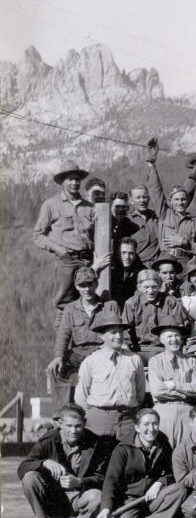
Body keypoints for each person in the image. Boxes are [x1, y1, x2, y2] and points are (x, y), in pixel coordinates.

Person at [18, 404, 114, 518]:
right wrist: (45, 462)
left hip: (80, 498)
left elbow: (101, 478)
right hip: (54, 499)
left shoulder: (95, 443)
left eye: (78, 426)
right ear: (60, 424)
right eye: (69, 426)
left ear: (84, 424)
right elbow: (22, 467)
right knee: (29, 478)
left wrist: (79, 482)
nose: (73, 431)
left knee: (96, 500)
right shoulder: (48, 440)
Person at [97, 408, 189, 518]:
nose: (151, 429)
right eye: (146, 424)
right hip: (129, 500)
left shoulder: (163, 443)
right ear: (137, 427)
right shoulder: (123, 449)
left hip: (153, 497)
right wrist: (106, 507)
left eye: (155, 423)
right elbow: (111, 480)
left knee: (180, 488)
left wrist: (159, 483)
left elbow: (172, 472)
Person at [46, 267, 120, 405]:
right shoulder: (70, 309)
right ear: (76, 286)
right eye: (82, 285)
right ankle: (65, 414)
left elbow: (118, 332)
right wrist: (58, 357)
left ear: (96, 284)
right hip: (78, 354)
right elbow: (63, 335)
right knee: (56, 371)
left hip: (102, 353)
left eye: (90, 284)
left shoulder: (109, 306)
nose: (87, 289)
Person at [33, 161, 96, 318]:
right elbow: (38, 235)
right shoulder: (51, 205)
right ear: (62, 182)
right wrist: (59, 250)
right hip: (66, 261)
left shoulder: (89, 206)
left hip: (88, 260)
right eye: (70, 179)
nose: (74, 183)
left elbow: (97, 234)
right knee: (65, 304)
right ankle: (65, 338)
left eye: (77, 179)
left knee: (89, 301)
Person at [74, 311, 145, 442]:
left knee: (126, 457)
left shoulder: (134, 360)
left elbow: (140, 393)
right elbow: (81, 396)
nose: (118, 336)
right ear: (102, 336)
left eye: (121, 332)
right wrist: (96, 415)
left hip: (127, 419)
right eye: (113, 333)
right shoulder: (91, 361)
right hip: (100, 420)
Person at [144, 139, 196, 261]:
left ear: (188, 201)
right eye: (176, 200)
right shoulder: (165, 214)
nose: (180, 203)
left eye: (183, 199)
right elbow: (156, 191)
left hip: (186, 262)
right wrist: (151, 165)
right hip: (165, 260)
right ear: (171, 202)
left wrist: (185, 243)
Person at [148, 320, 196, 448]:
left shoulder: (192, 362)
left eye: (176, 336)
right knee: (162, 452)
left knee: (185, 451)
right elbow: (158, 391)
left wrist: (176, 385)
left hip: (187, 412)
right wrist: (187, 394)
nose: (173, 339)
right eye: (169, 336)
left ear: (181, 339)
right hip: (164, 412)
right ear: (162, 340)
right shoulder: (155, 362)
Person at [122, 268, 190, 360]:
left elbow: (181, 327)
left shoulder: (171, 301)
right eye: (146, 287)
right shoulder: (131, 303)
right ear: (139, 287)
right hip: (138, 350)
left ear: (159, 286)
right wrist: (127, 348)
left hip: (166, 349)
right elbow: (125, 331)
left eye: (154, 287)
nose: (150, 291)